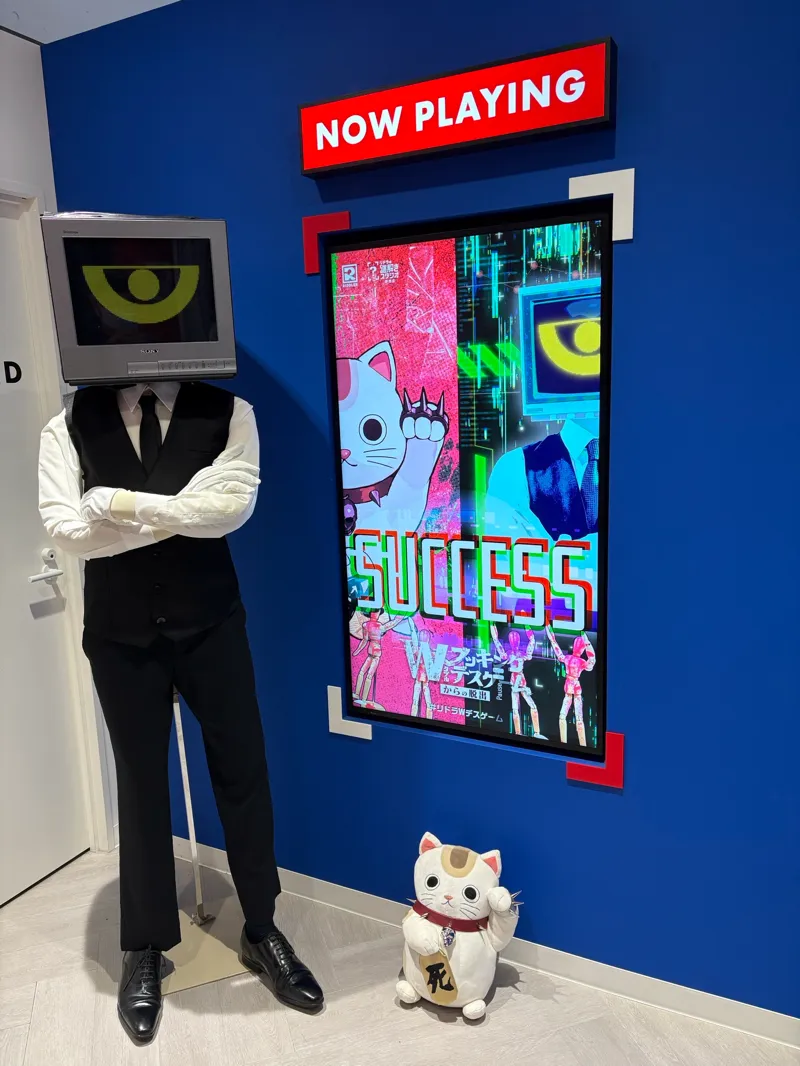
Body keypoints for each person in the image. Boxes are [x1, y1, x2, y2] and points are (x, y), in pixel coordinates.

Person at [38, 380, 323, 1045]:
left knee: (243, 770)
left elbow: (231, 511)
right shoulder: (67, 422)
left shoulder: (231, 412)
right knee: (140, 786)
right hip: (119, 636)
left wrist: (112, 503)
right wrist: (183, 510)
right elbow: (66, 530)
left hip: (212, 626)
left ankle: (262, 928)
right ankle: (143, 946)